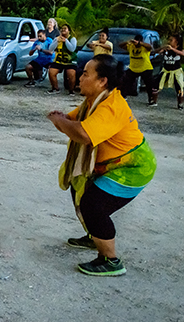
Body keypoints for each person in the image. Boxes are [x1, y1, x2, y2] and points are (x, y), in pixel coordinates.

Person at [47, 54, 156, 276]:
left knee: (93, 204)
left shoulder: (112, 105)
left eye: (86, 74)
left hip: (133, 169)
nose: (80, 77)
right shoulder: (93, 101)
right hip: (111, 166)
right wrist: (63, 121)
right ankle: (94, 236)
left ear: (102, 81)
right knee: (80, 189)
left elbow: (82, 133)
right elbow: (72, 123)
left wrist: (60, 121)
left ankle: (111, 260)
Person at [119, 35, 154, 103]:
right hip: (133, 68)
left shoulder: (144, 47)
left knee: (149, 84)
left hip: (145, 68)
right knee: (125, 81)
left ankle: (151, 99)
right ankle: (123, 96)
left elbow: (150, 47)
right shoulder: (131, 46)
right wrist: (128, 42)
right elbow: (120, 46)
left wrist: (140, 43)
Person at [154, 33, 184, 109]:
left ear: (176, 42)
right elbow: (155, 52)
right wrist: (163, 48)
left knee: (179, 88)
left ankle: (180, 104)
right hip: (166, 70)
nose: (169, 41)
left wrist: (172, 49)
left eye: (171, 40)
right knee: (156, 85)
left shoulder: (180, 49)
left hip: (176, 71)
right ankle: (153, 102)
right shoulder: (166, 49)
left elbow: (182, 53)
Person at [47, 23, 78, 95]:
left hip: (70, 60)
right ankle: (55, 88)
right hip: (59, 60)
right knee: (51, 71)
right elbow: (50, 49)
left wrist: (65, 41)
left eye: (65, 29)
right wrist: (56, 42)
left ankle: (71, 90)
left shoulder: (72, 39)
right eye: (62, 29)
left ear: (69, 31)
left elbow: (72, 49)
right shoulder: (57, 38)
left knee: (71, 73)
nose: (63, 30)